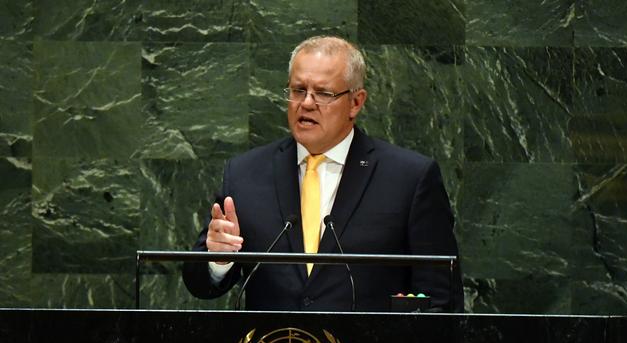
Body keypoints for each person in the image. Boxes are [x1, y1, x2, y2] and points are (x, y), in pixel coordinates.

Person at [182, 35, 463, 312]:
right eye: (298, 90)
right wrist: (218, 259)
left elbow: (441, 297)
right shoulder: (245, 174)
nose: (306, 103)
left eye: (323, 93)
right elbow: (201, 285)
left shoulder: (409, 178)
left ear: (356, 102)